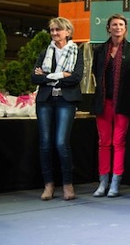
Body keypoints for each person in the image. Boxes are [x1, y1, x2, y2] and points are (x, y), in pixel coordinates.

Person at [31, 17, 83, 201]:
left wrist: (47, 76)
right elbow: (34, 78)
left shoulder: (77, 51)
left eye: (58, 30)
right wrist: (60, 75)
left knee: (61, 142)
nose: (54, 33)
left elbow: (76, 77)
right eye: (52, 30)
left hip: (66, 101)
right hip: (45, 100)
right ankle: (49, 185)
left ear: (68, 32)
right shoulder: (45, 51)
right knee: (45, 143)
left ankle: (67, 184)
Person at [91, 14, 130, 198]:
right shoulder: (100, 49)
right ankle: (103, 182)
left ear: (125, 29)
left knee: (119, 142)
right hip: (103, 102)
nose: (117, 27)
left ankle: (115, 182)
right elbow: (96, 71)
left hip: (123, 102)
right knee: (104, 143)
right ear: (108, 28)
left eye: (121, 25)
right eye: (114, 25)